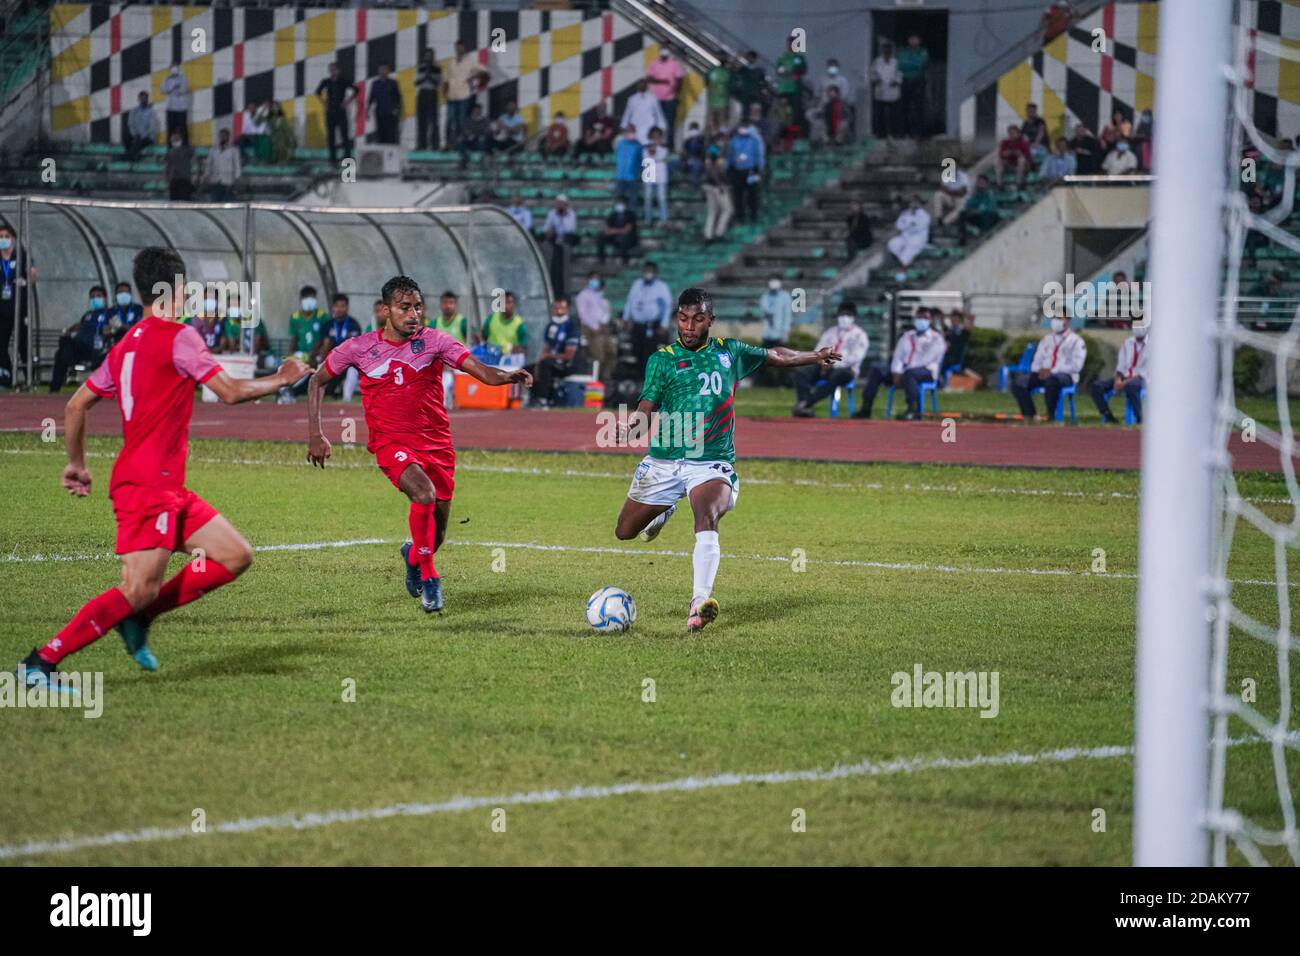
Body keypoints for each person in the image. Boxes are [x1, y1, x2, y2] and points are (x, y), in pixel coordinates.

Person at [15, 246, 309, 690]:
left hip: (164, 485)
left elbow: (76, 404)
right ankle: (40, 663)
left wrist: (77, 463)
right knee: (136, 589)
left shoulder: (126, 344)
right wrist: (283, 379)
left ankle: (140, 619)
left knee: (234, 555)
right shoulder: (179, 336)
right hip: (147, 486)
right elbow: (227, 392)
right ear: (178, 289)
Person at [612, 288, 841, 632]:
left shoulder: (729, 352)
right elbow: (646, 409)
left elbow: (774, 355)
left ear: (710, 321)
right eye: (683, 318)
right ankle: (665, 509)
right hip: (664, 461)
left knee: (707, 514)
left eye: (698, 319)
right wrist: (630, 429)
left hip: (711, 461)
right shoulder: (662, 359)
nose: (689, 326)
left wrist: (813, 356)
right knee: (625, 532)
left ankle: (699, 602)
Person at [306, 275, 532, 614]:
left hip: (437, 445)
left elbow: (478, 370)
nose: (414, 314)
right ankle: (430, 580)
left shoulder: (435, 342)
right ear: (386, 311)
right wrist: (315, 434)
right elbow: (316, 380)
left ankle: (413, 556)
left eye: (418, 307)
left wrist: (506, 375)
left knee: (436, 536)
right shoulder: (359, 348)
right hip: (391, 443)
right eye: (405, 307)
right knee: (423, 494)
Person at [855, 308, 947, 420]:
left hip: (926, 371)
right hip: (903, 372)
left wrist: (903, 371)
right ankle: (866, 407)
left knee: (911, 373)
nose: (921, 320)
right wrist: (896, 372)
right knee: (877, 369)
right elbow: (898, 355)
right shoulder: (907, 336)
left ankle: (914, 410)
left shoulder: (936, 339)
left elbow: (926, 359)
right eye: (919, 317)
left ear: (930, 320)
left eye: (925, 318)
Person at [793, 303, 869, 417]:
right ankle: (805, 408)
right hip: (823, 366)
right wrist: (824, 363)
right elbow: (818, 351)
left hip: (846, 369)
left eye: (848, 315)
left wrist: (833, 363)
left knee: (838, 377)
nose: (844, 318)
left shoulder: (860, 335)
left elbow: (855, 357)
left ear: (854, 317)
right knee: (802, 373)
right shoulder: (830, 332)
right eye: (842, 314)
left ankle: (806, 403)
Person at [1010, 316, 1087, 421]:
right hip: (1043, 374)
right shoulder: (1046, 339)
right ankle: (1030, 414)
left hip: (1065, 376)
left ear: (1068, 321)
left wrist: (1052, 371)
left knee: (1052, 381)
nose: (1056, 321)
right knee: (1019, 383)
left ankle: (1051, 415)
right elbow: (1036, 361)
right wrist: (1039, 370)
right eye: (1055, 318)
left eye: (1060, 318)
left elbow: (1076, 366)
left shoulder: (1076, 341)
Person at [48, 286, 115, 393]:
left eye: (98, 296)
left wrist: (110, 331)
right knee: (62, 349)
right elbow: (79, 326)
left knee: (63, 353)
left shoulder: (110, 313)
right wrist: (69, 330)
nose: (95, 299)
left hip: (94, 348)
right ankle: (54, 388)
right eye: (92, 297)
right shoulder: (88, 315)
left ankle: (67, 361)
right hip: (78, 347)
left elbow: (115, 327)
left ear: (105, 298)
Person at [1090, 322, 1148, 424]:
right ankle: (1108, 416)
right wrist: (1118, 380)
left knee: (1131, 386)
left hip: (1141, 379)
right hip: (1124, 378)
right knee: (1096, 387)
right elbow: (1121, 365)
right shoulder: (1127, 343)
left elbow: (1145, 371)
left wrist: (1124, 383)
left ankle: (1140, 419)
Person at [528, 297, 581, 407]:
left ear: (567, 309)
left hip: (566, 364)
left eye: (562, 308)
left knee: (545, 366)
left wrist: (549, 356)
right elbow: (547, 347)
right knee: (528, 369)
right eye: (556, 308)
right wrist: (541, 358)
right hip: (551, 361)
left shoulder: (571, 328)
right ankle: (534, 397)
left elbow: (569, 355)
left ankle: (543, 398)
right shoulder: (551, 326)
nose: (558, 311)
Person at [0, 224, 35, 390]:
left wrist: (26, 280)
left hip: (19, 307)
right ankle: (6, 375)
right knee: (1, 343)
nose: (3, 240)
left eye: (6, 236)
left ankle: (30, 378)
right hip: (2, 308)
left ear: (13, 239)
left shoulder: (21, 256)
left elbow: (32, 275)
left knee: (23, 344)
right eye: (1, 237)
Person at [623, 261, 672, 370]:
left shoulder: (661, 287)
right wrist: (626, 319)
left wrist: (664, 324)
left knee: (649, 351)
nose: (648, 273)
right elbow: (629, 302)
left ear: (655, 272)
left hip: (653, 325)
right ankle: (639, 375)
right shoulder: (637, 284)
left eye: (650, 271)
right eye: (646, 271)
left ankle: (649, 376)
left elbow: (667, 306)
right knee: (636, 349)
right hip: (638, 324)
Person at [443, 40, 485, 147]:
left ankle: (460, 143)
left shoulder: (470, 62)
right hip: (452, 96)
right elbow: (446, 79)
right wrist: (445, 94)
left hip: (464, 96)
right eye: (458, 48)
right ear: (455, 48)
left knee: (461, 120)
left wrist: (472, 77)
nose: (459, 50)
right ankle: (448, 143)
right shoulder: (451, 62)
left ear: (465, 49)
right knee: (450, 120)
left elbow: (483, 71)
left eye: (461, 48)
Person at [321, 294, 363, 401]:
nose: (339, 309)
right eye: (337, 306)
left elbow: (356, 348)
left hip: (348, 363)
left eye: (343, 306)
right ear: (333, 308)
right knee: (328, 387)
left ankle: (346, 399)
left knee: (352, 370)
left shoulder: (353, 324)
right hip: (332, 361)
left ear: (347, 308)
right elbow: (325, 345)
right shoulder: (328, 324)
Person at [316, 62, 357, 163]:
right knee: (331, 136)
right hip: (330, 111)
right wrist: (324, 102)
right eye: (331, 69)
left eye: (334, 69)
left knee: (344, 135)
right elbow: (317, 92)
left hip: (341, 110)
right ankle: (332, 158)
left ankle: (347, 156)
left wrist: (347, 101)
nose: (333, 71)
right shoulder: (326, 81)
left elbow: (356, 90)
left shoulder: (343, 80)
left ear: (339, 70)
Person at [726, 118, 765, 223]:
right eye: (741, 127)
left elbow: (759, 155)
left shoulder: (755, 140)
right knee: (738, 194)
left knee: (753, 193)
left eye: (745, 127)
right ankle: (740, 216)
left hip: (752, 170)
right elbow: (730, 155)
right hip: (737, 171)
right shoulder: (734, 140)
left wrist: (760, 169)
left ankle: (753, 215)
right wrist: (728, 168)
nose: (743, 129)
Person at [576, 273, 614, 379]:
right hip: (590, 329)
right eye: (593, 279)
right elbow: (582, 315)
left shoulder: (599, 296)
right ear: (588, 280)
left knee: (611, 352)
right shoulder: (583, 295)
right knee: (598, 355)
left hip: (602, 328)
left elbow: (603, 313)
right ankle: (593, 378)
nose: (595, 281)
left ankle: (605, 377)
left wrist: (604, 325)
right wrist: (595, 327)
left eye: (597, 279)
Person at [646, 46, 686, 148]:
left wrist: (677, 94)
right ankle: (653, 144)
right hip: (656, 99)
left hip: (670, 99)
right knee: (654, 123)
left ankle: (669, 146)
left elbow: (680, 80)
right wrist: (665, 81)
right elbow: (650, 79)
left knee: (670, 124)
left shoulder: (674, 64)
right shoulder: (654, 63)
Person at [542, 194, 579, 294]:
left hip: (566, 240)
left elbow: (571, 229)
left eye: (562, 204)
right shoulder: (552, 214)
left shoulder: (571, 214)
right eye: (558, 204)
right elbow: (546, 228)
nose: (559, 206)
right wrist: (551, 231)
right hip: (555, 240)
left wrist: (562, 218)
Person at [774, 35, 808, 136]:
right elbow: (779, 70)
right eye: (789, 43)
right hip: (784, 89)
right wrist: (783, 71)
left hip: (795, 89)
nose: (790, 45)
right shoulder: (782, 58)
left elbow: (803, 69)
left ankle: (794, 135)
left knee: (795, 113)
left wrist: (794, 71)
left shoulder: (799, 58)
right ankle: (783, 133)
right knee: (783, 112)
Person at [702, 135, 733, 243]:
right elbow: (714, 171)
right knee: (727, 209)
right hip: (717, 185)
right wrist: (719, 184)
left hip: (708, 185)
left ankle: (708, 234)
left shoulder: (709, 152)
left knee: (712, 211)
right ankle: (719, 233)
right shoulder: (715, 152)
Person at [897, 34, 929, 136]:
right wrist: (912, 64)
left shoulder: (923, 52)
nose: (913, 41)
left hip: (918, 82)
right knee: (904, 108)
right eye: (912, 39)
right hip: (905, 82)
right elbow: (901, 65)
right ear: (908, 40)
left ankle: (919, 133)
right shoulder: (903, 52)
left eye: (916, 39)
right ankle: (904, 132)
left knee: (918, 108)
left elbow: (920, 64)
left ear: (919, 41)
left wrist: (910, 63)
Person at [869, 41, 902, 140]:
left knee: (894, 115)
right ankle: (880, 134)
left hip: (893, 92)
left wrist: (896, 81)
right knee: (879, 114)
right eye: (885, 50)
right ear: (882, 51)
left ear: (891, 51)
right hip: (881, 91)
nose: (886, 52)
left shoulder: (896, 62)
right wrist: (876, 80)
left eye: (888, 50)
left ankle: (895, 133)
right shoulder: (877, 62)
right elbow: (872, 74)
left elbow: (900, 74)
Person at [887, 194, 930, 269]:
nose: (913, 204)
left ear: (919, 203)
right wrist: (909, 225)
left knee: (912, 245)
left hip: (918, 238)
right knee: (893, 243)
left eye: (915, 202)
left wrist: (907, 225)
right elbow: (898, 225)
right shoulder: (905, 213)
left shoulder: (924, 215)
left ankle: (904, 265)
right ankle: (905, 261)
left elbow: (918, 228)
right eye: (911, 203)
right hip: (904, 237)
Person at [480, 292, 528, 357]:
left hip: (510, 362)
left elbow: (524, 347)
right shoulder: (491, 319)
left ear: (514, 304)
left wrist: (511, 350)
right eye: (503, 302)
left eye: (509, 302)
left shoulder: (520, 324)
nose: (506, 306)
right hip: (491, 359)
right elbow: (483, 337)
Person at [621, 79, 666, 145]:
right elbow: (627, 114)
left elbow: (658, 114)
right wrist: (624, 126)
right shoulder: (632, 99)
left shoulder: (653, 98)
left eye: (643, 84)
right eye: (640, 84)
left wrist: (662, 127)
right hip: (636, 128)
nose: (641, 86)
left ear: (647, 86)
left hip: (649, 128)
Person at [957, 174, 999, 244]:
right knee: (962, 214)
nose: (980, 185)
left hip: (988, 216)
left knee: (990, 215)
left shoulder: (990, 193)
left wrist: (977, 211)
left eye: (982, 183)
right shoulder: (976, 194)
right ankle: (962, 238)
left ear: (986, 184)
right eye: (978, 183)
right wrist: (973, 195)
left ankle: (984, 233)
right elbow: (968, 206)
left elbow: (991, 208)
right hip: (979, 217)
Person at [203, 128, 241, 202]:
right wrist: (206, 176)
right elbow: (208, 164)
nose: (222, 137)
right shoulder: (213, 149)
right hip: (215, 180)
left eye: (224, 136)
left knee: (227, 203)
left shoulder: (234, 150)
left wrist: (237, 178)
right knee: (215, 202)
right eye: (221, 136)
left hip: (228, 181)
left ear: (228, 137)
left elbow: (237, 165)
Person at [597, 198, 638, 265]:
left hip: (629, 238)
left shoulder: (631, 214)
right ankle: (601, 259)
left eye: (621, 204)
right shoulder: (613, 215)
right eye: (618, 203)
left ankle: (625, 260)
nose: (619, 205)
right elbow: (606, 228)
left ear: (625, 205)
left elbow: (626, 230)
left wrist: (613, 231)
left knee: (623, 238)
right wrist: (610, 231)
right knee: (601, 236)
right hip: (614, 236)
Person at [642, 127, 670, 223]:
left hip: (661, 172)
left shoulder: (664, 148)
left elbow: (661, 156)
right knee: (648, 197)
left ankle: (664, 219)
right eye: (654, 137)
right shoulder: (646, 147)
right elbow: (646, 158)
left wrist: (655, 151)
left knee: (661, 198)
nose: (656, 139)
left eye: (658, 137)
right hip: (649, 170)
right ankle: (648, 219)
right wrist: (652, 151)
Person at [415, 48, 441, 152]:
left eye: (430, 56)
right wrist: (425, 75)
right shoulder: (420, 68)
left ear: (433, 57)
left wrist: (429, 76)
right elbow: (416, 82)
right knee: (421, 121)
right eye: (426, 56)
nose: (428, 58)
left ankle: (435, 145)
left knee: (433, 121)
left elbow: (437, 83)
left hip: (432, 93)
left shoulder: (437, 69)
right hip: (422, 93)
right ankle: (421, 144)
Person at [369, 64, 401, 145]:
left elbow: (398, 97)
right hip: (379, 112)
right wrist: (367, 110)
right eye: (381, 70)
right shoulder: (375, 83)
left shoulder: (393, 83)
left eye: (384, 69)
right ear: (378, 71)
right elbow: (371, 97)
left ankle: (392, 154)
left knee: (391, 134)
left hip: (391, 112)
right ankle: (382, 153)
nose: (382, 71)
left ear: (388, 71)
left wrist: (397, 109)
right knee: (380, 133)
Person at [931, 163, 970, 231]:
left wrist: (950, 191)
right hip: (950, 197)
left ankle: (944, 223)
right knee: (938, 195)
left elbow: (963, 192)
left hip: (959, 199)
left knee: (961, 207)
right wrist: (954, 192)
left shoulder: (963, 176)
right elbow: (942, 188)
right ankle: (938, 218)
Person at [759, 274, 793, 350]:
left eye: (775, 280)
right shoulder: (765, 296)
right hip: (767, 334)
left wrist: (785, 333)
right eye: (771, 281)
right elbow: (764, 313)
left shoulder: (785, 296)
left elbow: (787, 316)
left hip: (779, 334)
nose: (773, 283)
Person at [613, 126, 643, 207]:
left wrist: (639, 172)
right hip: (621, 175)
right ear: (625, 133)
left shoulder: (638, 145)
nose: (631, 134)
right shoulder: (620, 143)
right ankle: (619, 216)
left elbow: (641, 159)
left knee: (633, 198)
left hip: (633, 176)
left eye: (632, 132)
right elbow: (616, 155)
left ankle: (632, 216)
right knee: (619, 197)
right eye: (629, 132)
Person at [161, 64, 191, 144]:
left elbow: (183, 90)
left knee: (183, 128)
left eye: (175, 68)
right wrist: (172, 87)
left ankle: (185, 146)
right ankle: (170, 147)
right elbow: (163, 90)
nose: (174, 70)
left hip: (181, 108)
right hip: (170, 108)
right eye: (172, 68)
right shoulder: (167, 79)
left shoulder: (183, 78)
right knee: (170, 129)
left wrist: (173, 89)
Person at [125, 91, 159, 162]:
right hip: (136, 135)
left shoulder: (151, 112)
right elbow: (130, 124)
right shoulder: (134, 111)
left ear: (147, 99)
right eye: (141, 98)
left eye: (144, 98)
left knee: (138, 142)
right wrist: (135, 134)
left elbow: (152, 128)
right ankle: (132, 156)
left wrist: (142, 135)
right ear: (138, 99)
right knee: (126, 137)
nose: (143, 100)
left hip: (147, 137)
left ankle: (129, 158)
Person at [733, 50, 766, 120]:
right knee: (744, 116)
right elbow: (733, 69)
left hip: (755, 97)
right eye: (748, 57)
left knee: (754, 118)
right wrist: (737, 58)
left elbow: (763, 84)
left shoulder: (759, 70)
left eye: (750, 57)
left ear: (754, 58)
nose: (749, 59)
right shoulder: (744, 69)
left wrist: (762, 93)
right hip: (745, 96)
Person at [164, 133, 195, 201]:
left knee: (185, 201)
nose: (175, 141)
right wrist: (167, 178)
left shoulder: (186, 150)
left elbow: (193, 154)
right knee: (174, 202)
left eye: (177, 139)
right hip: (174, 179)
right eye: (174, 140)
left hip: (185, 179)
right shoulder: (169, 153)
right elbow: (167, 166)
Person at [457, 104, 490, 168]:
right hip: (468, 140)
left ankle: (482, 162)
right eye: (475, 110)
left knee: (483, 141)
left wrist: (475, 132)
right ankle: (465, 160)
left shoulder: (484, 120)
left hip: (479, 141)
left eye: (478, 110)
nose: (477, 112)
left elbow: (485, 130)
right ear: (472, 111)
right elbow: (465, 130)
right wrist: (471, 132)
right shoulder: (467, 120)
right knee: (460, 143)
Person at [706, 59, 732, 133]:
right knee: (722, 120)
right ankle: (720, 134)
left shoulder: (713, 72)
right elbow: (730, 84)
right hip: (723, 100)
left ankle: (713, 133)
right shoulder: (727, 73)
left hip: (713, 100)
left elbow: (709, 83)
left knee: (713, 120)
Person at [681, 121, 706, 187]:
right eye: (692, 129)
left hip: (698, 160)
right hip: (688, 160)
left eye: (695, 129)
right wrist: (687, 158)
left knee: (696, 165)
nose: (693, 131)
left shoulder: (701, 140)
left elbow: (702, 152)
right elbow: (684, 152)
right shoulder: (687, 141)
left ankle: (694, 186)